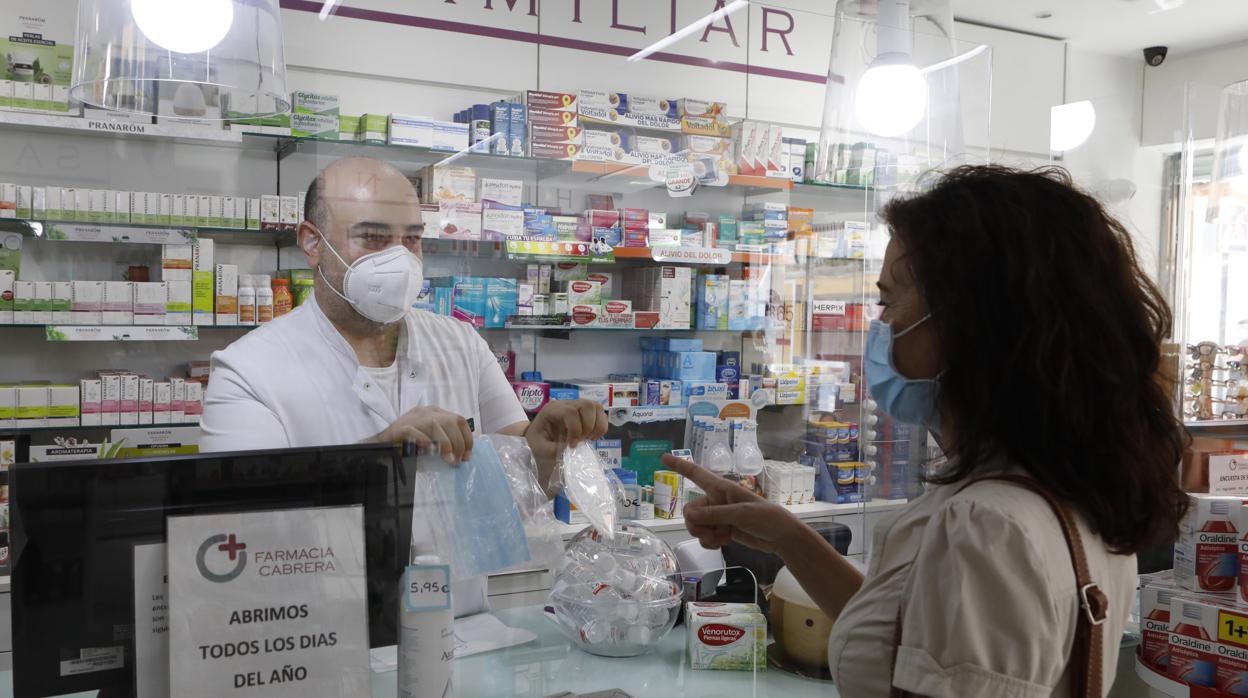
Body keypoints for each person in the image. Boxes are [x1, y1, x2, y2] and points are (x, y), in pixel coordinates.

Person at [664, 165, 1187, 697]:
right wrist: (787, 537)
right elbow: (912, 645)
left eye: (889, 301)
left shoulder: (988, 527)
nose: (879, 326)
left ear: (970, 321)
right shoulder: (1077, 485)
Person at [201, 157, 607, 614]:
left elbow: (520, 485)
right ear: (312, 243)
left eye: (412, 239)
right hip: (325, 637)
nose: (399, 258)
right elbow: (237, 534)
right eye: (373, 238)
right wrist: (374, 460)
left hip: (460, 633)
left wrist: (545, 449)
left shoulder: (461, 343)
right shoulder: (248, 370)